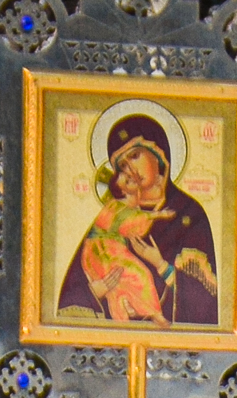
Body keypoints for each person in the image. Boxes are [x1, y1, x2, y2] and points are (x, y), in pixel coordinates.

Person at [57, 111, 222, 329]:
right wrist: (98, 290)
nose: (132, 170)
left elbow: (208, 301)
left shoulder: (189, 214)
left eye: (135, 156)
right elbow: (68, 301)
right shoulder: (112, 217)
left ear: (159, 154)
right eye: (123, 166)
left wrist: (161, 266)